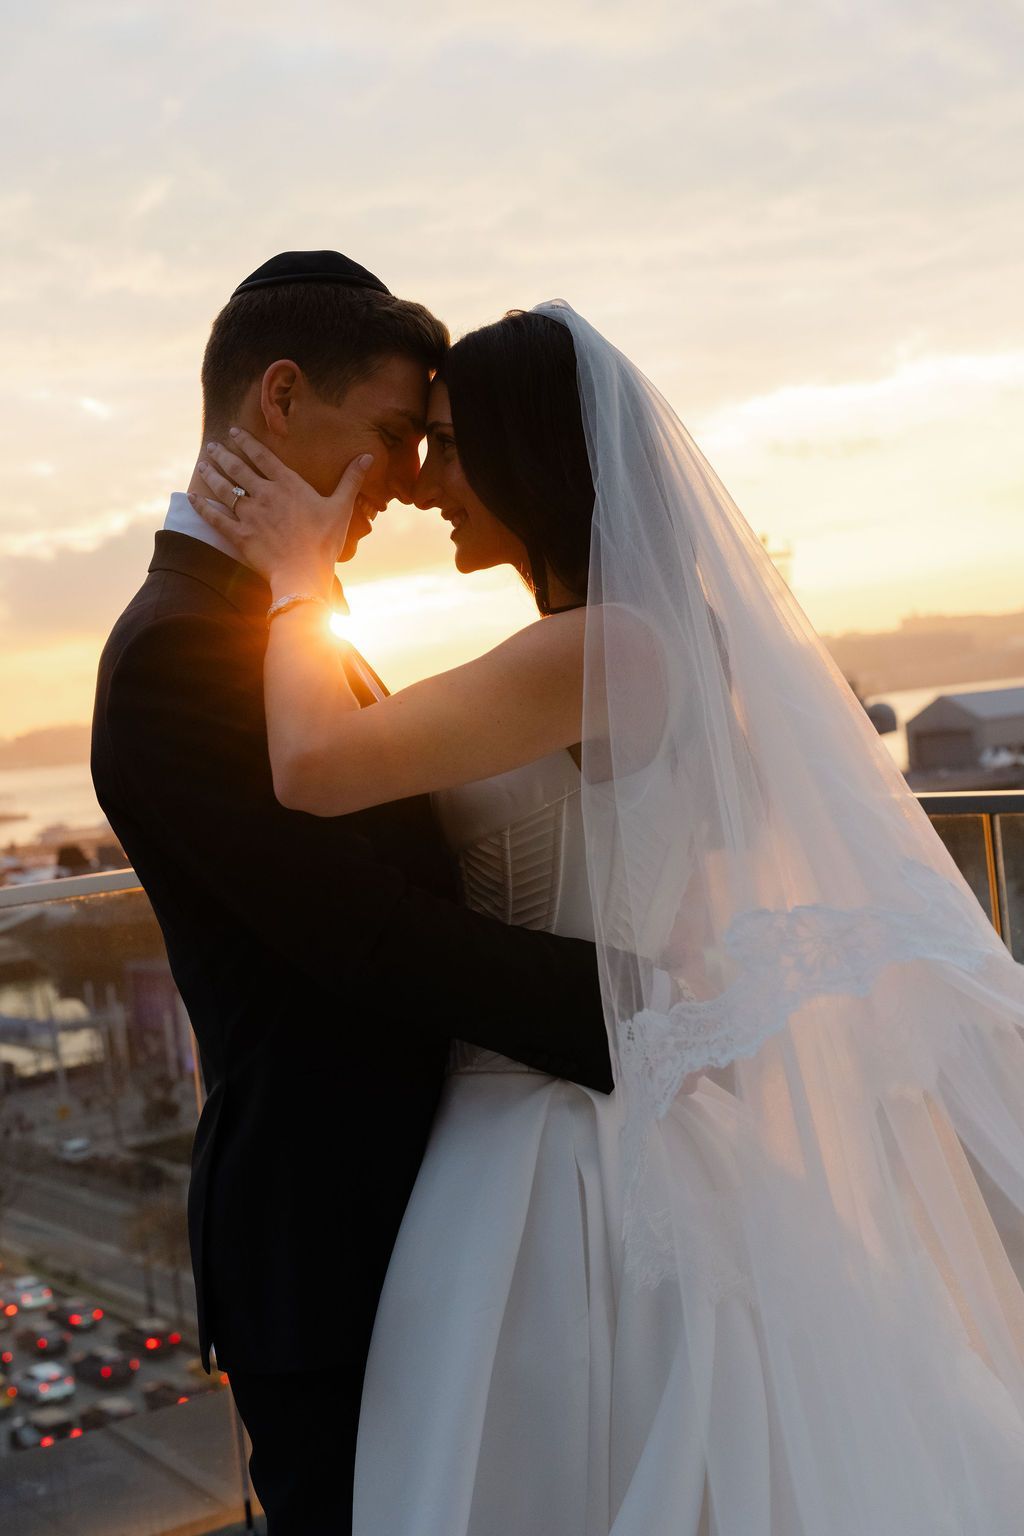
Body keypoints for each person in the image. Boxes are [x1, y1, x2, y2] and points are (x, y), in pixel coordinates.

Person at [195, 302, 1024, 1534]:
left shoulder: (595, 652)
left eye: (453, 447)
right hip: (577, 1103)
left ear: (537, 457)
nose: (426, 485)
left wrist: (298, 577)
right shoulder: (614, 646)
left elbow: (313, 766)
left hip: (546, 1149)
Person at [90, 257, 613, 1536]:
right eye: (390, 436)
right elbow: (368, 935)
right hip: (328, 1244)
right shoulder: (178, 653)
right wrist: (638, 1010)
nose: (407, 480)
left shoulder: (272, 618)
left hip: (433, 1212)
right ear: (278, 398)